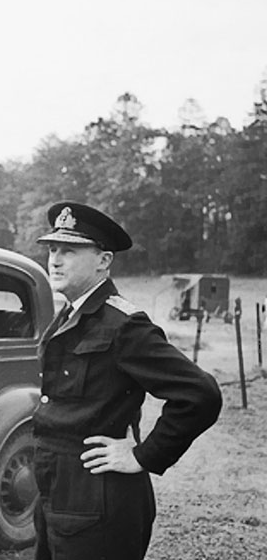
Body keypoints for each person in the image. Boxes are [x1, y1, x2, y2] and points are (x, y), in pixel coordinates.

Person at [32, 201, 222, 560]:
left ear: (103, 261)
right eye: (52, 249)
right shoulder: (69, 315)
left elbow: (200, 394)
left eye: (69, 251)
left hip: (98, 498)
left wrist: (143, 455)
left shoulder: (123, 325)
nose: (54, 260)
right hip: (58, 491)